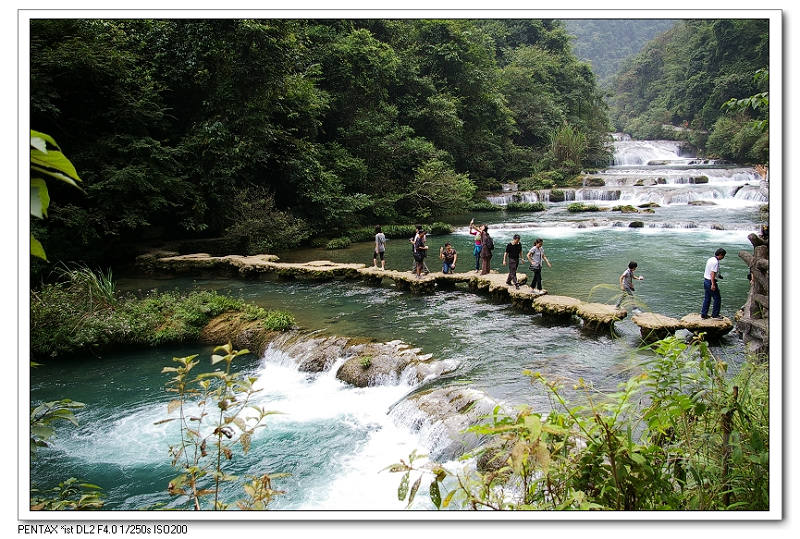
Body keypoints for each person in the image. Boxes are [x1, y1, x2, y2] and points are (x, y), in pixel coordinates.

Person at [701, 248, 726, 319]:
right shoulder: (715, 262)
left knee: (707, 298)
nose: (723, 257)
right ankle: (715, 314)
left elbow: (711, 271)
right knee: (717, 298)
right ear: (720, 255)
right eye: (723, 256)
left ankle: (704, 314)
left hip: (706, 280)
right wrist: (713, 284)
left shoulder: (711, 259)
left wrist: (718, 276)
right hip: (710, 281)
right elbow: (712, 273)